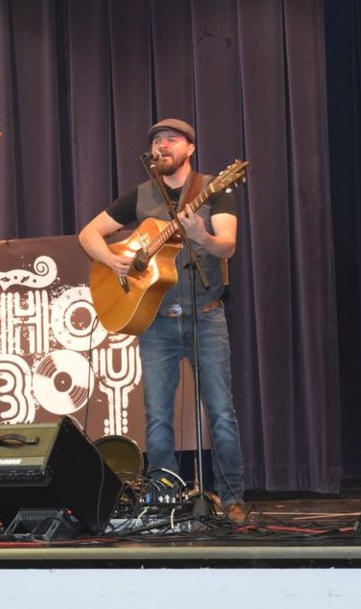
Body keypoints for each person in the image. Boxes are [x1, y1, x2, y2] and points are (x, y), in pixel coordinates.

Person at [78, 119, 248, 524]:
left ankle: (233, 498)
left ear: (189, 148)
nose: (162, 145)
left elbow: (227, 246)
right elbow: (89, 234)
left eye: (171, 139)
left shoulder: (213, 190)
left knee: (221, 412)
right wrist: (111, 259)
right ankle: (161, 498)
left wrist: (199, 234)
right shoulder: (139, 196)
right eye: (156, 140)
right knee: (156, 416)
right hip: (155, 323)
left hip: (206, 318)